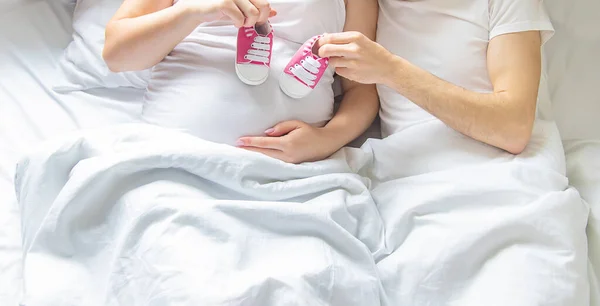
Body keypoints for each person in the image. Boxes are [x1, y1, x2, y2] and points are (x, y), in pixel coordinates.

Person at [102, 0, 379, 164]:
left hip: (293, 175)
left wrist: (327, 139)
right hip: (171, 155)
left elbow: (361, 88)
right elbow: (117, 55)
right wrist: (192, 12)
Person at [317, 0, 554, 155]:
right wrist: (322, 139)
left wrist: (393, 71)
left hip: (507, 176)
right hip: (405, 184)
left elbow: (513, 128)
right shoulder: (368, 7)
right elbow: (357, 93)